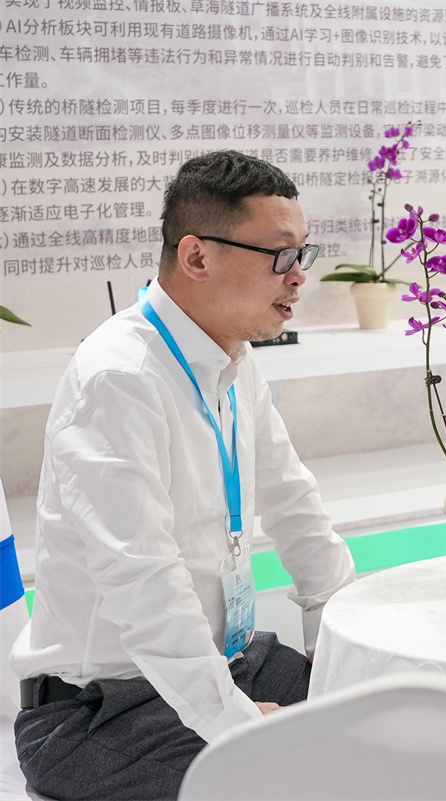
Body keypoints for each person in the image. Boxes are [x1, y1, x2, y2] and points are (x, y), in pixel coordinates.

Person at [10, 151, 357, 801]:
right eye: (280, 255)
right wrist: (237, 726)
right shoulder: (119, 378)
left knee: (388, 722)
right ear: (197, 257)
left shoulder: (233, 360)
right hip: (99, 713)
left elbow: (296, 506)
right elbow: (144, 583)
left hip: (227, 662)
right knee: (310, 776)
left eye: (302, 253)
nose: (298, 276)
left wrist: (336, 650)